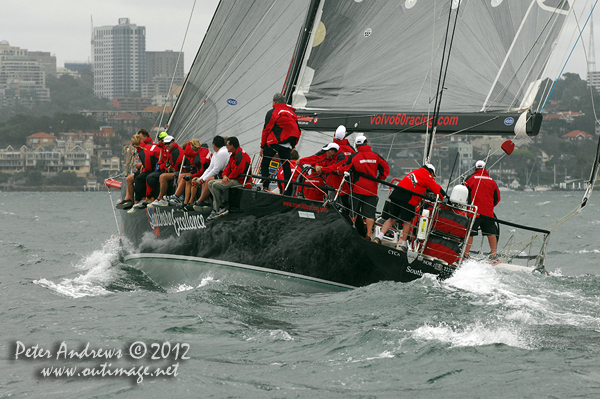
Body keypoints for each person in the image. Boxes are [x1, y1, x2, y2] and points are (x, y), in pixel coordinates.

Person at [374, 164, 446, 250]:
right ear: (431, 172)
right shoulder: (427, 175)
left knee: (392, 218)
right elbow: (437, 189)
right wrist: (445, 198)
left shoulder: (415, 171)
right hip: (408, 199)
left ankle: (378, 237)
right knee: (407, 222)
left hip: (396, 194)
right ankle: (403, 245)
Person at [340, 136, 390, 240]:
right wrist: (380, 177)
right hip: (371, 190)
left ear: (357, 145)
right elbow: (385, 167)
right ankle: (368, 235)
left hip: (357, 188)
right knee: (369, 214)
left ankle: (351, 231)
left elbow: (344, 168)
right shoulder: (376, 156)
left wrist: (336, 170)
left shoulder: (354, 156)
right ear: (366, 143)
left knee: (353, 211)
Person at [260, 92, 301, 195]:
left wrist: (262, 146)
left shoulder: (272, 112)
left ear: (274, 101)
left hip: (273, 143)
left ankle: (265, 186)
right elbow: (298, 131)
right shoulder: (293, 113)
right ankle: (288, 191)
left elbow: (266, 129)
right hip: (287, 145)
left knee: (265, 163)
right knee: (286, 167)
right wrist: (292, 146)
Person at [206, 137, 251, 220]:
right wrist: (224, 176)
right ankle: (220, 207)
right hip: (232, 179)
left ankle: (218, 208)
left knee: (215, 185)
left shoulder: (241, 155)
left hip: (240, 181)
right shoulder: (233, 155)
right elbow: (227, 168)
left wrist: (228, 177)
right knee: (210, 183)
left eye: (227, 145)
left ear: (232, 146)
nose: (226, 147)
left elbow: (238, 170)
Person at [463, 160, 501, 259]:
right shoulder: (491, 180)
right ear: (485, 168)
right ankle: (494, 255)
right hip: (488, 213)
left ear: (475, 168)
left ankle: (465, 255)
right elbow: (497, 198)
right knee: (491, 233)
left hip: (473, 212)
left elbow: (463, 192)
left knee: (470, 233)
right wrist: (490, 206)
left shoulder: (470, 178)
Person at [116, 128, 154, 209]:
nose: (139, 140)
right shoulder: (143, 148)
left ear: (145, 137)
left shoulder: (148, 146)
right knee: (129, 179)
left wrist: (142, 166)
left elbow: (150, 160)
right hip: (147, 168)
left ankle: (139, 199)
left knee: (138, 178)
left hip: (150, 170)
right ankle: (129, 200)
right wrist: (142, 164)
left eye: (140, 138)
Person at [192, 135, 229, 210]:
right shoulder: (216, 153)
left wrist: (203, 179)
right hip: (221, 173)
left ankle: (200, 201)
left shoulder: (222, 152)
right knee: (205, 179)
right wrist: (201, 179)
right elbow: (210, 167)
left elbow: (216, 170)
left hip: (225, 174)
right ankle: (206, 202)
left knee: (208, 179)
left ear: (214, 144)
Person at [148, 136, 187, 207]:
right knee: (159, 176)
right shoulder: (170, 150)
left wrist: (169, 169)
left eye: (168, 143)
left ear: (173, 142)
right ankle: (163, 198)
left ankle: (160, 198)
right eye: (165, 144)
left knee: (163, 176)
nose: (167, 145)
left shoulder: (176, 151)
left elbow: (176, 166)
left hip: (181, 172)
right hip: (176, 171)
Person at [126, 135, 161, 213]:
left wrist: (143, 169)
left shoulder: (142, 151)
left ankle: (140, 200)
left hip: (157, 169)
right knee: (142, 176)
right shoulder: (146, 146)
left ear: (133, 145)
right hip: (157, 167)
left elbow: (148, 167)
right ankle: (141, 200)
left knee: (139, 178)